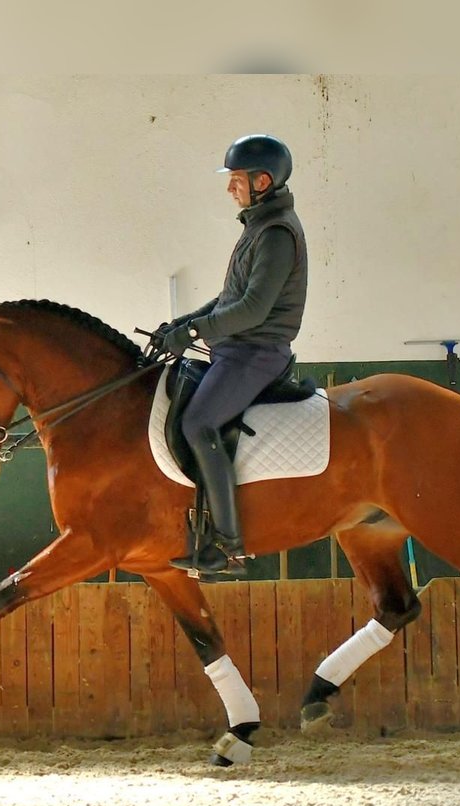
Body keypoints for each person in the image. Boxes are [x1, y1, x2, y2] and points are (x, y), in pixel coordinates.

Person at [151, 133, 308, 577]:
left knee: (198, 423)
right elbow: (228, 298)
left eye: (236, 179)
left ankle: (229, 546)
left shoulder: (276, 233)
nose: (229, 187)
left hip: (256, 352)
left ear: (262, 181)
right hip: (236, 347)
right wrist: (181, 325)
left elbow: (253, 309)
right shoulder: (258, 226)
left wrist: (196, 330)